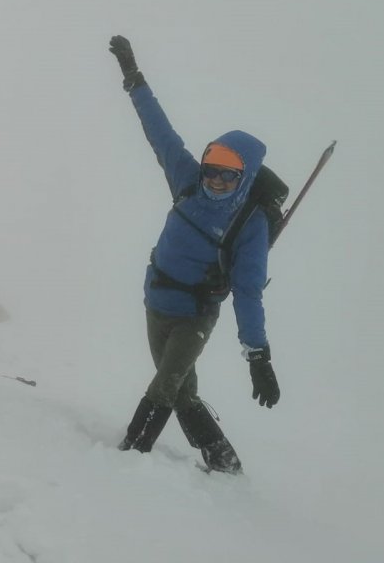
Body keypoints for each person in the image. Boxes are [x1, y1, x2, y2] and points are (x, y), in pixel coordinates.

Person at [108, 35, 281, 474]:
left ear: (244, 178)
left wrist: (258, 356)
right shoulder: (186, 180)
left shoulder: (250, 224)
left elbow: (248, 292)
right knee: (182, 391)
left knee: (165, 386)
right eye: (211, 172)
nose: (215, 183)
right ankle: (222, 460)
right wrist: (134, 78)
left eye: (228, 178)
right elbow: (159, 131)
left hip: (195, 315)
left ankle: (127, 457)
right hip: (157, 301)